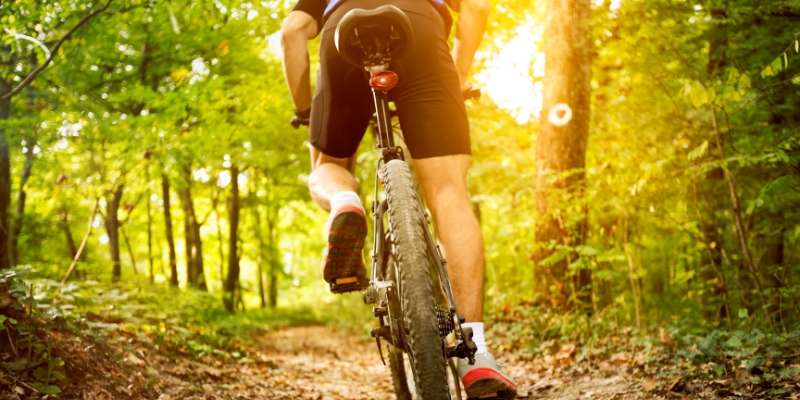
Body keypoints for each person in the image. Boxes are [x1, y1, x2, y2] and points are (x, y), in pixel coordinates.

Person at [280, 0, 517, 397]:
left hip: (344, 34)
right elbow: (477, 7)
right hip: (421, 32)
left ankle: (343, 202)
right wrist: (455, 78)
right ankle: (475, 354)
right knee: (449, 191)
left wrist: (306, 109)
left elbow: (291, 33)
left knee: (327, 163)